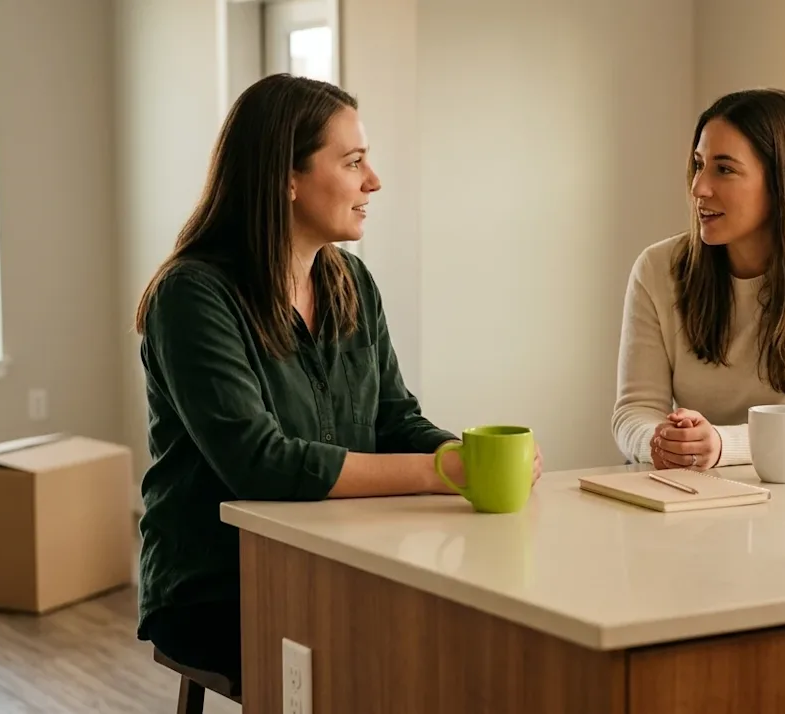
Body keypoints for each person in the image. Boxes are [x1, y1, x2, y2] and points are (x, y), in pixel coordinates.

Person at [131, 74, 542, 684]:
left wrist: (472, 457)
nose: (373, 181)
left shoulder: (350, 281)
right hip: (219, 584)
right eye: (353, 162)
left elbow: (394, 419)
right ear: (286, 178)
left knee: (479, 642)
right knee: (411, 659)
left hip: (341, 557)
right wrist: (441, 472)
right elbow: (259, 463)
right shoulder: (192, 296)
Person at [611, 88, 785, 471]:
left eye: (724, 169)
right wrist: (661, 442)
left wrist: (722, 446)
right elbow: (635, 409)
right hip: (685, 488)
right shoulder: (658, 268)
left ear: (783, 181)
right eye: (698, 164)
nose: (698, 188)